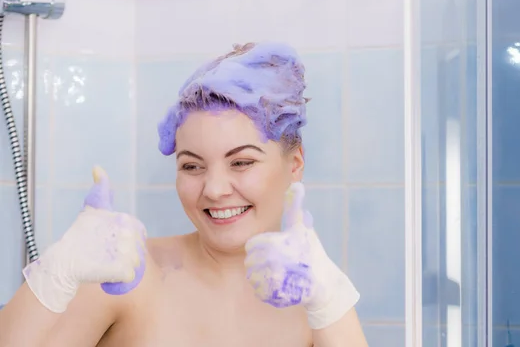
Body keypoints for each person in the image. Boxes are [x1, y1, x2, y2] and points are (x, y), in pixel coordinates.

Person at [0, 42, 369, 347]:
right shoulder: (127, 277)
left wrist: (331, 300)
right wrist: (53, 275)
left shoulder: (316, 303)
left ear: (295, 164)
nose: (214, 189)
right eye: (192, 166)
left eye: (241, 162)